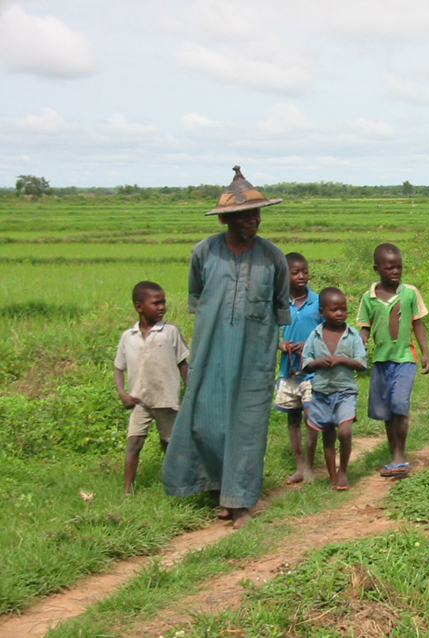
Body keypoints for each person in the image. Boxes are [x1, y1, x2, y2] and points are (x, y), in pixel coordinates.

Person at [162, 166, 290, 529]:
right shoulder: (204, 252)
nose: (255, 220)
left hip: (254, 356)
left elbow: (279, 305)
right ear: (226, 218)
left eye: (257, 213)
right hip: (211, 350)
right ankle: (212, 487)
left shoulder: (273, 256)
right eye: (246, 215)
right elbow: (198, 298)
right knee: (206, 420)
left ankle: (240, 501)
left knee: (247, 425)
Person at [357, 243, 429, 478]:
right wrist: (361, 346)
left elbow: (418, 323)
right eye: (390, 267)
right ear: (377, 269)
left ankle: (400, 456)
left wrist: (425, 352)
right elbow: (364, 328)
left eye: (399, 267)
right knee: (387, 411)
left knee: (400, 405)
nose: (396, 271)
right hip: (381, 361)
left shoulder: (409, 292)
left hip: (405, 359)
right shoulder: (368, 297)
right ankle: (394, 455)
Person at [114, 281, 189, 495]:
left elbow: (183, 363)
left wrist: (190, 391)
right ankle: (127, 490)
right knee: (134, 443)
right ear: (139, 307)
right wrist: (123, 394)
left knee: (170, 446)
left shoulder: (170, 332)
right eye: (156, 303)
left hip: (166, 400)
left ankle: (176, 486)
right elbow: (119, 368)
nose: (162, 307)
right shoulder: (128, 337)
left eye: (163, 302)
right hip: (139, 400)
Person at [302, 287, 367, 491]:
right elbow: (306, 363)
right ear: (322, 312)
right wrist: (319, 362)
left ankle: (343, 471)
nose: (340, 313)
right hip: (321, 393)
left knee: (345, 432)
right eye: (334, 310)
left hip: (345, 392)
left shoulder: (352, 335)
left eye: (343, 309)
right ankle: (332, 476)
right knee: (327, 435)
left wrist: (342, 360)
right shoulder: (315, 335)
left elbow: (361, 363)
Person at [275, 252, 322, 485]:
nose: (301, 276)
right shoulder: (280, 304)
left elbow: (331, 331)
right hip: (289, 370)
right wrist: (280, 344)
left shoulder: (319, 302)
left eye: (304, 271)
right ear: (285, 276)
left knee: (310, 415)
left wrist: (310, 345)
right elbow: (270, 332)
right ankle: (299, 465)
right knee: (292, 419)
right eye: (295, 272)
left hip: (313, 371)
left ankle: (311, 465)